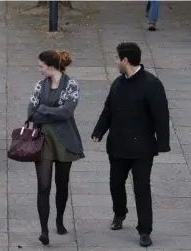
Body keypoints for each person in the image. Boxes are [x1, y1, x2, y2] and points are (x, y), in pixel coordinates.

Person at [91, 42, 170, 247]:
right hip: (118, 145)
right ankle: (120, 213)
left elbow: (161, 115)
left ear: (125, 60)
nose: (115, 62)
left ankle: (145, 230)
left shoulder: (151, 84)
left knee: (141, 187)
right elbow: (108, 109)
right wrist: (99, 130)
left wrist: (162, 143)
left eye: (117, 59)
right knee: (115, 184)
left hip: (142, 147)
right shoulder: (118, 83)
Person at [27, 50, 85, 245]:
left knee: (62, 184)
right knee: (43, 186)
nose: (40, 70)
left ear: (51, 67)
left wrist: (44, 110)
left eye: (41, 66)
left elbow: (67, 112)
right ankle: (44, 230)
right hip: (42, 140)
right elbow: (31, 114)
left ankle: (59, 219)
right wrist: (53, 112)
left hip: (64, 141)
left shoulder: (72, 85)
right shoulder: (39, 86)